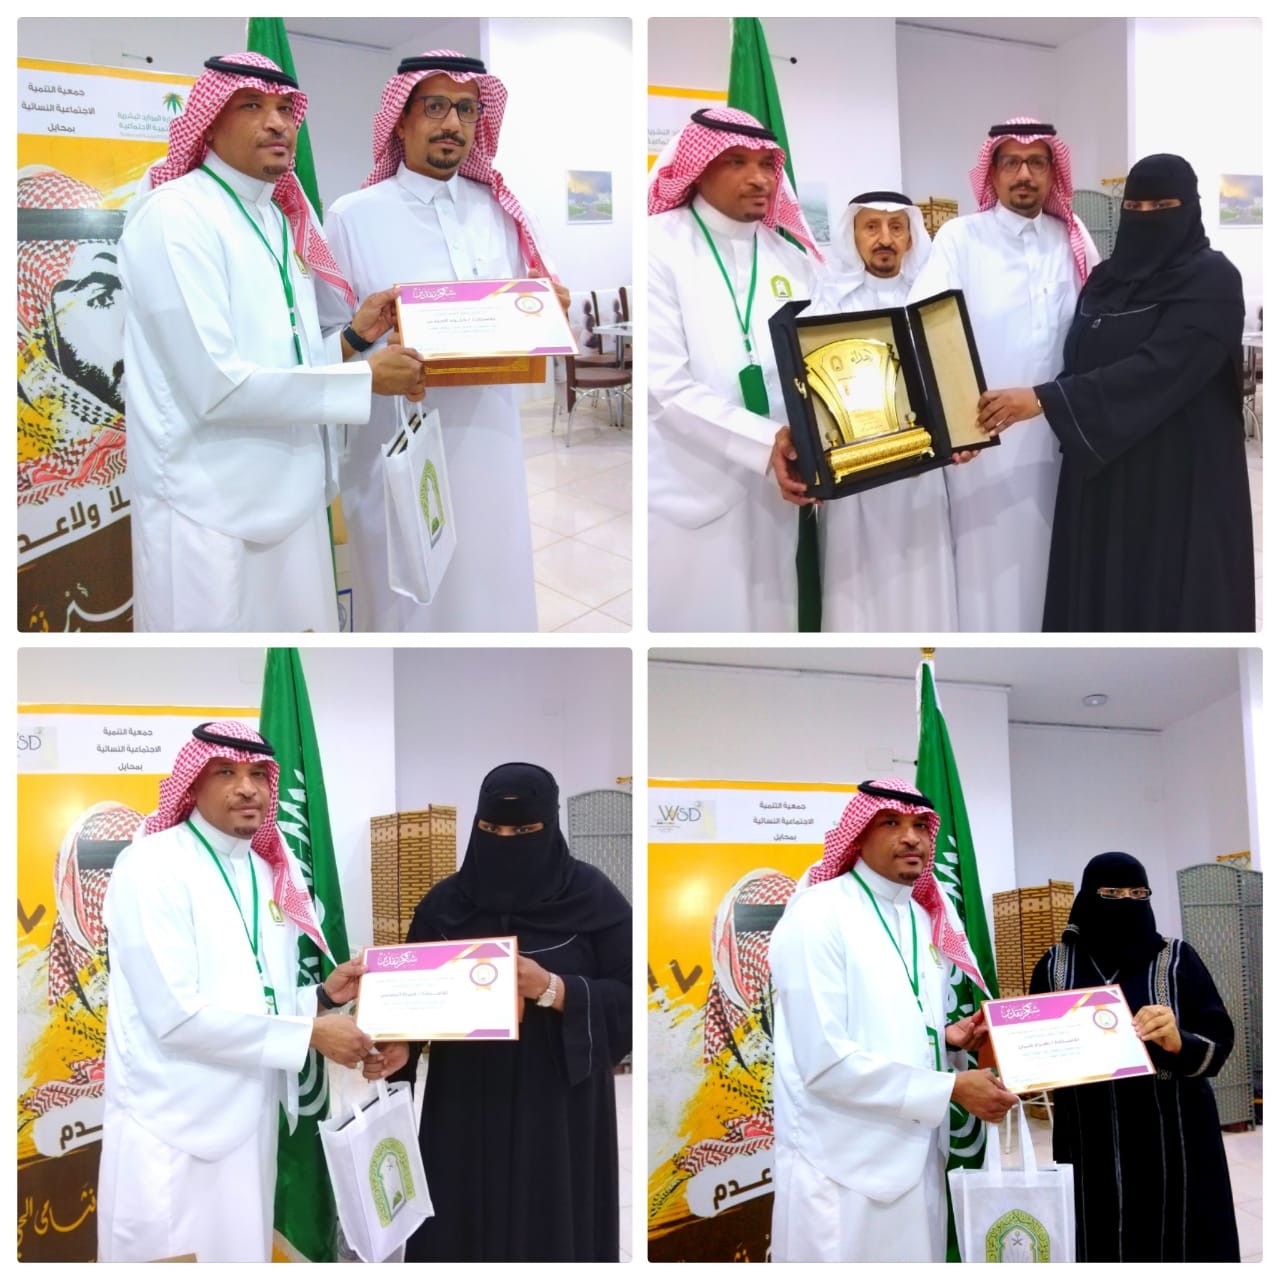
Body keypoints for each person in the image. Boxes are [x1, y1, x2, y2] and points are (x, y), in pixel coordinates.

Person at [118, 52, 427, 632]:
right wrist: (365, 378)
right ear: (209, 122)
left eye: (286, 108)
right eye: (252, 106)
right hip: (209, 510)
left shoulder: (276, 218)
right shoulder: (176, 217)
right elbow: (219, 387)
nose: (277, 122)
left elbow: (280, 360)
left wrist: (353, 338)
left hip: (293, 498)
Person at [97, 721, 373, 1262]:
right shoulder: (152, 866)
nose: (247, 788)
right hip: (172, 1128)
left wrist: (320, 998)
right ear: (193, 783)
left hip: (250, 1122)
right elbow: (175, 1017)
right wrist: (311, 1034)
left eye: (258, 775)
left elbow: (255, 996)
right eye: (225, 772)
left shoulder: (267, 871)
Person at [326, 50, 563, 632]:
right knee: (408, 600)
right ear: (400, 121)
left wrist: (549, 309)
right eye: (435, 107)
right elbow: (328, 340)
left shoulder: (502, 212)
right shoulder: (352, 216)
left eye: (466, 109)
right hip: (394, 443)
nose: (453, 123)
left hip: (491, 441)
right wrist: (370, 356)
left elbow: (533, 309)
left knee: (493, 585)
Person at [365, 763, 631, 1260]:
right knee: (463, 1221)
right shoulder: (444, 905)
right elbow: (414, 998)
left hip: (558, 1106)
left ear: (550, 824)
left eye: (525, 830)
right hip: (465, 1101)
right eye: (492, 829)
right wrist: (402, 1042)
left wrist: (553, 988)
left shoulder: (594, 898)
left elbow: (631, 995)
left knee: (551, 1225)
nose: (507, 841)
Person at [978, 154, 1253, 630]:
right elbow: (1079, 358)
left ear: (1190, 208)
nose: (1147, 217)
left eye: (1162, 206)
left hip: (1175, 481)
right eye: (1135, 207)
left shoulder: (1213, 280)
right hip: (1104, 475)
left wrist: (1046, 399)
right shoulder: (1105, 281)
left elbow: (1161, 369)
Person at [768, 779, 1016, 1262]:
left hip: (916, 1152)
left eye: (921, 825)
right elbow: (824, 1060)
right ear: (859, 834)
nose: (911, 837)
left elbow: (889, 1021)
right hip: (841, 1164)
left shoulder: (922, 918)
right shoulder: (818, 914)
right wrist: (951, 1088)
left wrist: (948, 1041)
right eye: (891, 823)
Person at [909, 119, 1100, 631]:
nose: (1024, 175)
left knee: (1059, 558)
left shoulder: (1073, 237)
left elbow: (1101, 327)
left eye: (1036, 162)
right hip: (984, 441)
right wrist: (953, 423)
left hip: (1061, 437)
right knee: (988, 574)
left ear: (1053, 171)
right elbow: (926, 328)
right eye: (1011, 162)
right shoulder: (961, 238)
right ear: (991, 173)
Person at [648, 108, 823, 631]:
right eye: (737, 162)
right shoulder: (658, 245)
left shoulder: (793, 260)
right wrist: (767, 442)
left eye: (767, 164)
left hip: (778, 488)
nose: (759, 178)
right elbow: (666, 386)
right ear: (697, 167)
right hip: (690, 483)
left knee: (771, 621)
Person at [1028, 852, 1240, 1262]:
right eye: (1112, 893)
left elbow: (1219, 1041)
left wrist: (1179, 1040)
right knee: (1094, 1237)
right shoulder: (1055, 967)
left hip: (1173, 1137)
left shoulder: (1178, 959)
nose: (1127, 902)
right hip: (1088, 1138)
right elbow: (1035, 1048)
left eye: (1138, 893)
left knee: (1178, 1239)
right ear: (1089, 897)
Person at [805, 191, 957, 631]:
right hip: (855, 475)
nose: (884, 239)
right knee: (856, 581)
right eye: (871, 227)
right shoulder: (828, 302)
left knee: (922, 575)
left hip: (922, 473)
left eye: (896, 227)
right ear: (852, 236)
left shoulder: (931, 301)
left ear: (911, 237)